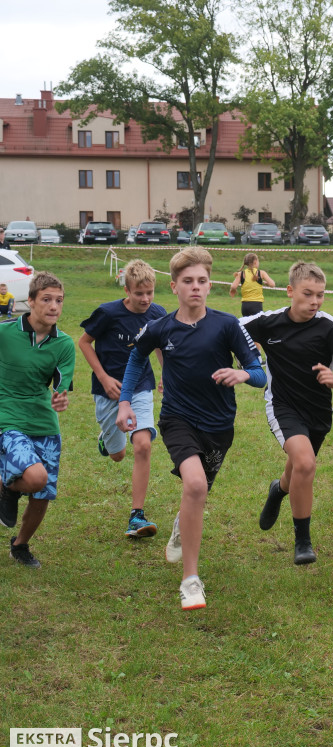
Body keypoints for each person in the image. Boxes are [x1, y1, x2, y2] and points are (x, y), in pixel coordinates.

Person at [116, 247, 267, 610]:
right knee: (195, 485)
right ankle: (191, 581)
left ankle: (182, 525)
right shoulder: (160, 327)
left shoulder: (227, 325)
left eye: (202, 281)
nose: (196, 287)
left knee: (199, 492)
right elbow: (137, 358)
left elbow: (260, 374)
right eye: (188, 282)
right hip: (178, 419)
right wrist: (124, 401)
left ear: (209, 285)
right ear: (174, 287)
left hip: (220, 426)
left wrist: (243, 373)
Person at [241, 262, 333, 566]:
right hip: (283, 406)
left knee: (298, 469)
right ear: (290, 291)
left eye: (320, 295)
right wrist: (247, 356)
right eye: (308, 294)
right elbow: (230, 329)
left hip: (318, 412)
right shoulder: (268, 322)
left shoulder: (329, 326)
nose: (315, 302)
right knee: (306, 463)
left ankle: (277, 489)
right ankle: (303, 542)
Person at [78, 259, 167, 539]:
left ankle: (136, 516)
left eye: (149, 293)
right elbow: (83, 342)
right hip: (109, 391)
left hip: (140, 387)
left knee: (142, 445)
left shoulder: (158, 313)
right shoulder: (107, 313)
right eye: (138, 293)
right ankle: (107, 440)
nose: (145, 299)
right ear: (126, 289)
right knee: (118, 456)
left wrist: (167, 373)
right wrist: (103, 377)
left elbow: (162, 344)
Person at [0, 272, 76, 568]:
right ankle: (7, 487)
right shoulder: (5, 332)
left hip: (44, 424)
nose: (54, 306)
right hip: (7, 418)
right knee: (36, 478)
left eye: (59, 300)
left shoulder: (64, 344)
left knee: (42, 494)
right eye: (46, 299)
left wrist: (60, 397)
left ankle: (20, 546)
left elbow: (60, 384)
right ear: (30, 301)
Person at [229, 252, 276, 316]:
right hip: (257, 305)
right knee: (257, 325)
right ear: (255, 261)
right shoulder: (261, 273)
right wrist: (267, 284)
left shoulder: (241, 274)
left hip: (245, 306)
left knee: (246, 325)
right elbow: (272, 284)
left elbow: (233, 286)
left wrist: (233, 290)